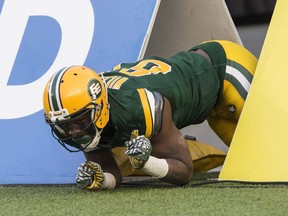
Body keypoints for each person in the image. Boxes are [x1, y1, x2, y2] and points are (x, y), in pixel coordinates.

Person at [43, 40, 257, 190]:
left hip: (225, 69)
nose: (73, 131)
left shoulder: (137, 106)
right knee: (254, 167)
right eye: (65, 125)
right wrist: (101, 180)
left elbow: (184, 172)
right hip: (209, 100)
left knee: (275, 151)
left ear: (98, 107)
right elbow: (111, 170)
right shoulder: (91, 115)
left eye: (79, 121)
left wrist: (146, 163)